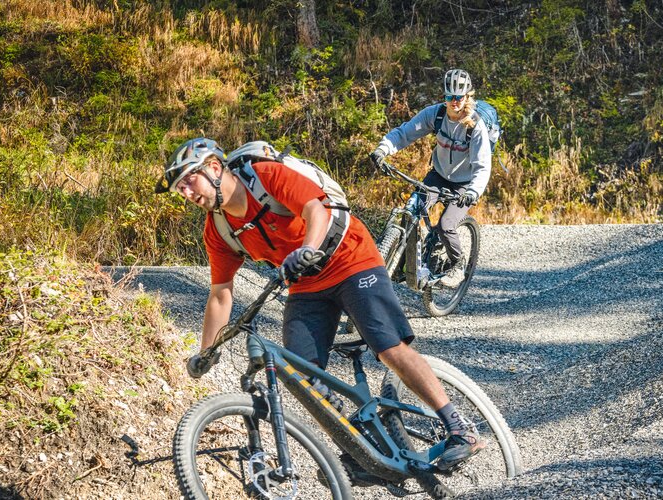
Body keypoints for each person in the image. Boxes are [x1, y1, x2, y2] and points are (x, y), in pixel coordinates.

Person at [154, 137, 485, 471]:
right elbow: (221, 293)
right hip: (306, 283)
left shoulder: (265, 176)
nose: (187, 192)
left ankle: (459, 427)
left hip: (350, 259)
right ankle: (364, 449)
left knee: (388, 347)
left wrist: (307, 248)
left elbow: (315, 208)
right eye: (181, 189)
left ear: (214, 167)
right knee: (302, 376)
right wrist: (207, 350)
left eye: (189, 180)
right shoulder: (219, 230)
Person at [370, 68, 492, 288]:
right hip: (439, 176)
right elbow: (404, 133)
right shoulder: (435, 115)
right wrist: (382, 149)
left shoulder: (476, 126)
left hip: (465, 185)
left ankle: (457, 264)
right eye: (450, 96)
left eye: (459, 97)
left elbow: (482, 166)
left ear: (467, 97)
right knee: (411, 210)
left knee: (446, 225)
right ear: (444, 96)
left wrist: (473, 192)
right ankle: (400, 263)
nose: (454, 102)